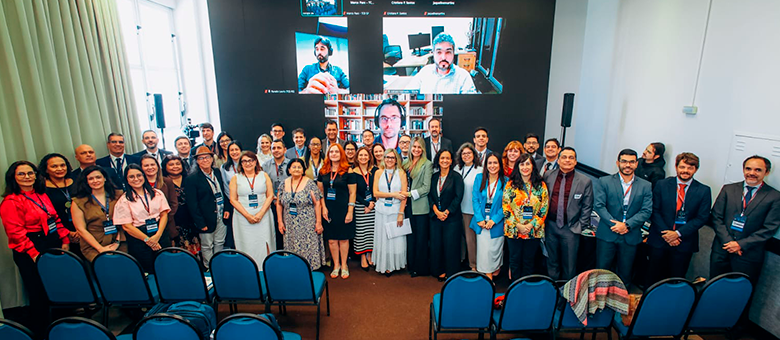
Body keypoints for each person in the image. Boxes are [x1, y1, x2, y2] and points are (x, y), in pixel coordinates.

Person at [1, 161, 70, 337]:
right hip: (29, 248)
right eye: (21, 174)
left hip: (50, 242)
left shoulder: (40, 194)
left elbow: (54, 219)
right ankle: (42, 331)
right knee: (38, 291)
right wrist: (34, 254)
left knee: (56, 286)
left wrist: (64, 239)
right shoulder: (10, 201)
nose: (27, 177)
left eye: (30, 173)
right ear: (13, 178)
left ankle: (61, 326)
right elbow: (16, 233)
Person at [710, 155, 780, 285]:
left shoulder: (775, 197)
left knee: (740, 293)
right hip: (721, 250)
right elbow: (716, 217)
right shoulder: (728, 189)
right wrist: (729, 242)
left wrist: (740, 244)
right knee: (714, 288)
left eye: (758, 170)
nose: (752, 173)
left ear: (767, 172)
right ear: (743, 170)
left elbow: (769, 228)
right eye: (748, 169)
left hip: (748, 255)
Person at [647, 152, 711, 284]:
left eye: (690, 168)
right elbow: (654, 210)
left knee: (676, 279)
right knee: (652, 277)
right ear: (676, 167)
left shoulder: (703, 190)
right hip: (659, 239)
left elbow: (702, 217)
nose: (685, 171)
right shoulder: (662, 184)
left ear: (696, 169)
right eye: (682, 167)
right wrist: (667, 234)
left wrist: (677, 234)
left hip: (684, 242)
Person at [593, 149, 652, 287]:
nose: (628, 165)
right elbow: (599, 205)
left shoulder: (645, 185)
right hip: (608, 233)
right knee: (602, 272)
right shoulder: (604, 181)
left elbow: (646, 210)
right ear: (618, 163)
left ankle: (620, 305)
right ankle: (600, 302)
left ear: (636, 164)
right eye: (624, 161)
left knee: (625, 274)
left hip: (630, 235)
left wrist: (627, 225)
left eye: (631, 162)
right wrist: (615, 224)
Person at [543, 147, 593, 281]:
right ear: (558, 160)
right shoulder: (548, 176)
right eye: (564, 157)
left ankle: (567, 294)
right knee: (551, 262)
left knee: (569, 265)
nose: (567, 160)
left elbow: (587, 207)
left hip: (571, 228)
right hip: (550, 226)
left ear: (576, 161)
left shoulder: (584, 181)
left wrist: (580, 226)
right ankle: (552, 290)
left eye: (571, 158)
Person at [113, 164, 170, 273]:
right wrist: (148, 240)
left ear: (144, 176)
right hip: (139, 239)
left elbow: (164, 214)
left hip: (159, 233)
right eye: (131, 177)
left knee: (165, 267)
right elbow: (127, 226)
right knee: (147, 269)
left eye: (139, 175)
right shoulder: (124, 200)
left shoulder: (157, 193)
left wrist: (157, 236)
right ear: (126, 179)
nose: (136, 179)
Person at [185, 146, 233, 268]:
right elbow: (192, 204)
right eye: (201, 158)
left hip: (221, 213)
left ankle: (219, 265)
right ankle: (209, 267)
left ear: (212, 158)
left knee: (220, 242)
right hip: (205, 218)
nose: (205, 160)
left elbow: (224, 191)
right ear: (197, 161)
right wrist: (200, 223)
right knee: (207, 245)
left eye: (207, 157)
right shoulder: (192, 178)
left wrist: (227, 208)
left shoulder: (217, 172)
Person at [503, 153, 549, 280]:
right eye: (522, 164)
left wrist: (530, 225)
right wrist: (518, 225)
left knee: (529, 262)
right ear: (518, 167)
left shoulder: (541, 185)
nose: (525, 167)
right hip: (514, 230)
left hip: (533, 231)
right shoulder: (511, 185)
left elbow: (544, 208)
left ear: (533, 166)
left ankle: (526, 290)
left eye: (528, 164)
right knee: (515, 261)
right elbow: (506, 207)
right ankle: (514, 289)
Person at [277, 159, 326, 270]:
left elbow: (317, 203)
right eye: (293, 167)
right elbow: (279, 204)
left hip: (307, 223)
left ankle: (310, 269)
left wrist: (318, 222)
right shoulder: (283, 184)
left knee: (308, 246)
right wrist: (280, 221)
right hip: (289, 223)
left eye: (299, 167)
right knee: (291, 246)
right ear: (289, 169)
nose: (296, 169)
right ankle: (294, 268)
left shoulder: (309, 184)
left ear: (303, 170)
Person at [71, 166, 126, 261]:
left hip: (119, 239)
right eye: (91, 179)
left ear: (105, 178)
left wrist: (117, 241)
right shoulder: (78, 202)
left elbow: (125, 221)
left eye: (98, 177)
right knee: (104, 266)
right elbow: (80, 229)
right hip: (93, 244)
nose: (95, 181)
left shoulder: (119, 195)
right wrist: (100, 249)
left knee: (124, 265)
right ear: (86, 181)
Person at [318, 144, 357, 279]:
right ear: (328, 154)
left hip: (344, 209)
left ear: (341, 154)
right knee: (332, 240)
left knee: (344, 239)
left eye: (337, 152)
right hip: (328, 209)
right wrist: (323, 207)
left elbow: (352, 193)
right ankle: (336, 265)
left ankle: (344, 265)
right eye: (331, 152)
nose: (334, 154)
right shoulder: (323, 171)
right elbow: (321, 192)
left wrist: (350, 211)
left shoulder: (348, 171)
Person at [230, 151, 276, 265]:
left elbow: (270, 195)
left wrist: (260, 214)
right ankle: (249, 268)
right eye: (244, 161)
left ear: (255, 161)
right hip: (243, 217)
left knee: (265, 242)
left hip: (263, 214)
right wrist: (248, 216)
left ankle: (266, 267)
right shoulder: (236, 178)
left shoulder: (263, 175)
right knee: (246, 243)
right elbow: (233, 199)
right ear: (241, 163)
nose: (248, 163)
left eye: (250, 160)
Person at [429, 150, 464, 281]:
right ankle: (439, 270)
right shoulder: (434, 177)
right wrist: (436, 212)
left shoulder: (456, 177)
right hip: (436, 217)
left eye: (447, 158)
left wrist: (447, 212)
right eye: (442, 158)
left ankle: (451, 272)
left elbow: (458, 197)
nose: (444, 160)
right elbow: (430, 196)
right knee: (437, 245)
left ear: (451, 161)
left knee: (451, 246)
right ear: (438, 160)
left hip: (452, 218)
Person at [373, 149, 408, 276]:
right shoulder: (378, 172)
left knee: (395, 239)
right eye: (387, 157)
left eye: (392, 158)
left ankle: (394, 265)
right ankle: (383, 263)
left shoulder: (401, 173)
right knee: (382, 238)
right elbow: (375, 193)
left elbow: (404, 195)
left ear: (396, 159)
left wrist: (400, 213)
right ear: (384, 158)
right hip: (381, 210)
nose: (389, 160)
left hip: (396, 210)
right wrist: (392, 194)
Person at [470, 153, 506, 279]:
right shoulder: (479, 178)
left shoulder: (505, 181)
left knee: (495, 250)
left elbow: (506, 204)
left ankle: (494, 270)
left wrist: (494, 220)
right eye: (489, 163)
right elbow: (475, 199)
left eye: (495, 163)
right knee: (484, 251)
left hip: (497, 223)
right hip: (482, 223)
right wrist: (479, 219)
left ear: (500, 165)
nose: (492, 165)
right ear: (486, 165)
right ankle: (488, 278)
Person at [405, 33, 478, 94]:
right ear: (433, 53)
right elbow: (407, 94)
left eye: (448, 52)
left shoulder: (463, 76)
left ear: (453, 54)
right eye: (439, 52)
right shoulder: (424, 72)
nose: (443, 57)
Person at [39, 153, 81, 258]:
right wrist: (67, 233)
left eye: (62, 165)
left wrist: (80, 231)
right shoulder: (41, 188)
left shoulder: (77, 180)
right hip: (58, 233)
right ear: (46, 169)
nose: (60, 169)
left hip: (82, 229)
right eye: (54, 166)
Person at [401, 137, 432, 277]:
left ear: (423, 149)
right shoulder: (405, 163)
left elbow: (426, 188)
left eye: (419, 147)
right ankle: (411, 265)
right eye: (414, 147)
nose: (416, 150)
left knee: (420, 238)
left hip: (420, 207)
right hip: (406, 206)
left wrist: (409, 194)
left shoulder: (427, 164)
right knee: (410, 237)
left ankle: (420, 268)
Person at [162, 155, 199, 254]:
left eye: (178, 164)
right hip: (174, 221)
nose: (175, 166)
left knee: (195, 248)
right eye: (171, 164)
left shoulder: (190, 179)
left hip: (191, 220)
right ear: (165, 166)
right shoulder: (163, 182)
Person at [454, 143, 481, 271]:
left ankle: (473, 266)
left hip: (471, 210)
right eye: (463, 153)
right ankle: (461, 261)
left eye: (469, 153)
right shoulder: (457, 169)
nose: (466, 156)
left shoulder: (480, 170)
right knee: (460, 239)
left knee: (471, 240)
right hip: (456, 209)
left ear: (474, 155)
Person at [140, 155, 178, 243]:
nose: (150, 167)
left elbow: (174, 203)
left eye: (152, 165)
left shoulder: (167, 181)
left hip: (167, 224)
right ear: (141, 168)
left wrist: (163, 220)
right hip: (146, 226)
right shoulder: (139, 184)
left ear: (157, 166)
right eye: (146, 165)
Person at [353, 146, 377, 270]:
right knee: (361, 232)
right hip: (359, 206)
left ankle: (370, 254)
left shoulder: (375, 170)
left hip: (374, 205)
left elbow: (377, 188)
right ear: (357, 157)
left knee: (371, 232)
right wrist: (366, 204)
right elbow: (353, 192)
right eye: (360, 155)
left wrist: (372, 203)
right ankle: (363, 256)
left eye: (365, 155)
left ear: (369, 157)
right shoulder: (353, 172)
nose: (363, 157)